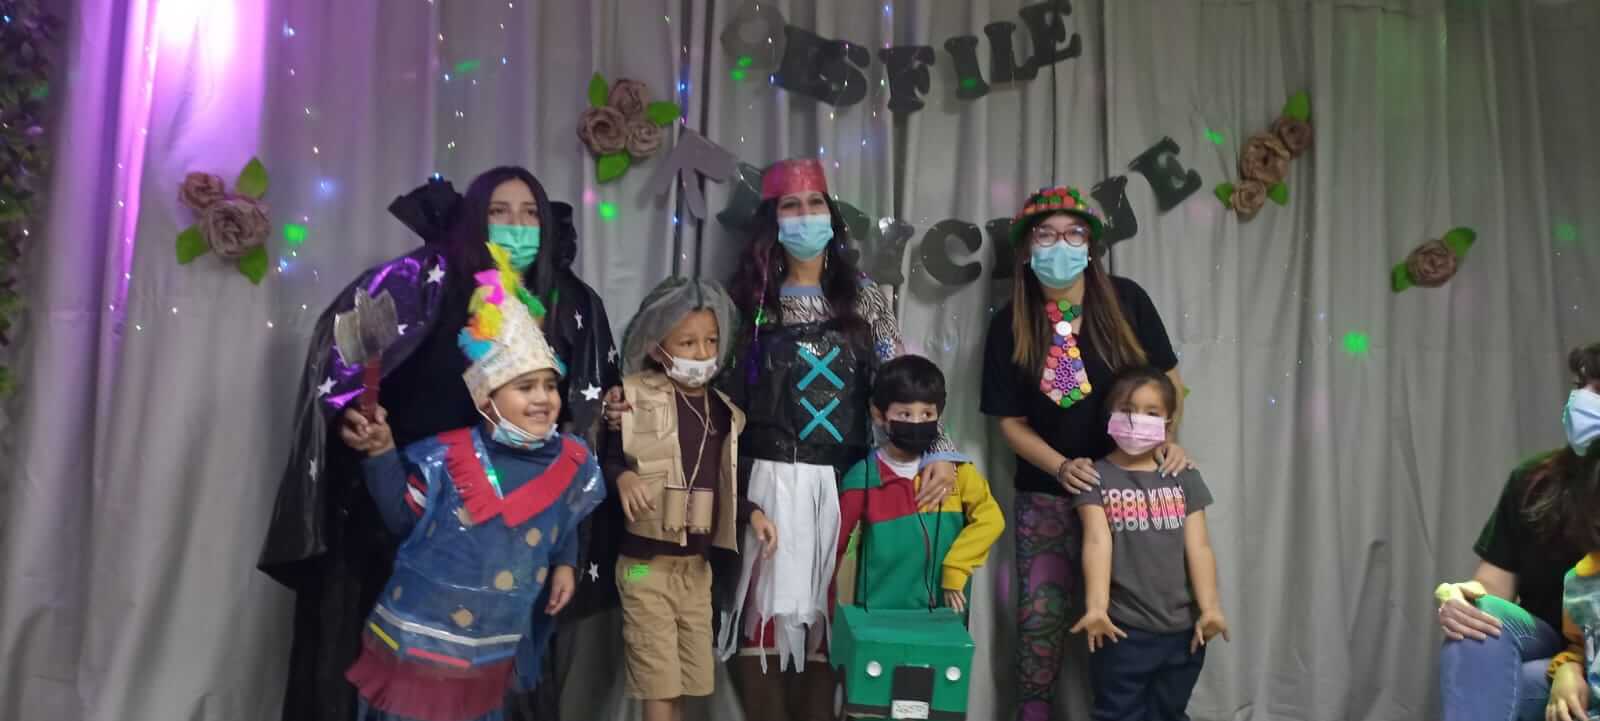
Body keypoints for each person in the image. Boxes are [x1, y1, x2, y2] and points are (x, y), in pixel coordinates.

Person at [605, 158, 962, 721]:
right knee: (762, 618)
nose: (804, 216)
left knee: (828, 619)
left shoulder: (866, 298)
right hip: (761, 482)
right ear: (772, 219)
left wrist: (938, 449)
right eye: (791, 206)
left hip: (844, 485)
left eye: (814, 203)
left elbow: (899, 377)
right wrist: (628, 400)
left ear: (831, 215)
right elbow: (695, 379)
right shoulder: (744, 303)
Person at [258, 168, 621, 721]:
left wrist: (565, 555)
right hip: (419, 520)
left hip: (506, 553)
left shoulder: (566, 302)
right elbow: (355, 369)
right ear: (475, 218)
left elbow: (567, 477)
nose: (517, 225)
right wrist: (366, 428)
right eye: (500, 212)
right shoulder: (419, 285)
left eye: (530, 214)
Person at [337, 244, 606, 721]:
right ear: (487, 399)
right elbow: (401, 518)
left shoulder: (574, 461)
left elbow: (564, 518)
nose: (543, 398)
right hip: (418, 646)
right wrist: (381, 452)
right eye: (525, 387)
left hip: (491, 651)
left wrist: (565, 565)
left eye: (550, 385)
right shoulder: (445, 459)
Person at [979, 185, 1192, 721]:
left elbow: (1169, 382)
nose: (1061, 245)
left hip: (1131, 490)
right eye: (1047, 234)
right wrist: (1060, 466)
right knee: (1041, 621)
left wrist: (1165, 441)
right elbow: (1009, 423)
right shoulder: (1009, 322)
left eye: (1074, 234)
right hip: (1048, 496)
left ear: (1091, 244)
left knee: (1136, 618)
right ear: (1027, 247)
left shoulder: (1127, 301)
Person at [603, 276, 780, 721]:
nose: (702, 353)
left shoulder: (723, 411)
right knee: (657, 681)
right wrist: (623, 478)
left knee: (687, 679)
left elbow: (725, 484)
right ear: (656, 345)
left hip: (697, 570)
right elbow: (606, 459)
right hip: (644, 566)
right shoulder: (632, 397)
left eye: (711, 341)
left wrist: (752, 514)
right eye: (687, 342)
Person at [1436, 343, 1600, 721]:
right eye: (1581, 386)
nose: (1583, 399)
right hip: (1554, 643)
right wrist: (1459, 597)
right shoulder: (1533, 481)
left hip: (1581, 658)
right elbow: (1492, 588)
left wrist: (1574, 666)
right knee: (1479, 619)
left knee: (1527, 683)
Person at [1067, 367, 1228, 721]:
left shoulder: (1184, 476)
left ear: (1168, 422)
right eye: (1127, 409)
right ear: (1109, 416)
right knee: (1117, 713)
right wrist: (1097, 607)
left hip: (1183, 632)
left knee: (1169, 712)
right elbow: (1096, 541)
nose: (1137, 419)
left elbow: (1199, 546)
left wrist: (1211, 608)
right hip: (1122, 630)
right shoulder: (1094, 477)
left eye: (1151, 412)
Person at [834, 354, 1004, 615]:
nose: (917, 422)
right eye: (905, 413)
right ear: (879, 415)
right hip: (880, 617)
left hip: (944, 615)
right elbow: (834, 549)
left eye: (927, 413)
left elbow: (991, 519)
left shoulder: (958, 472)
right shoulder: (863, 479)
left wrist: (956, 567)